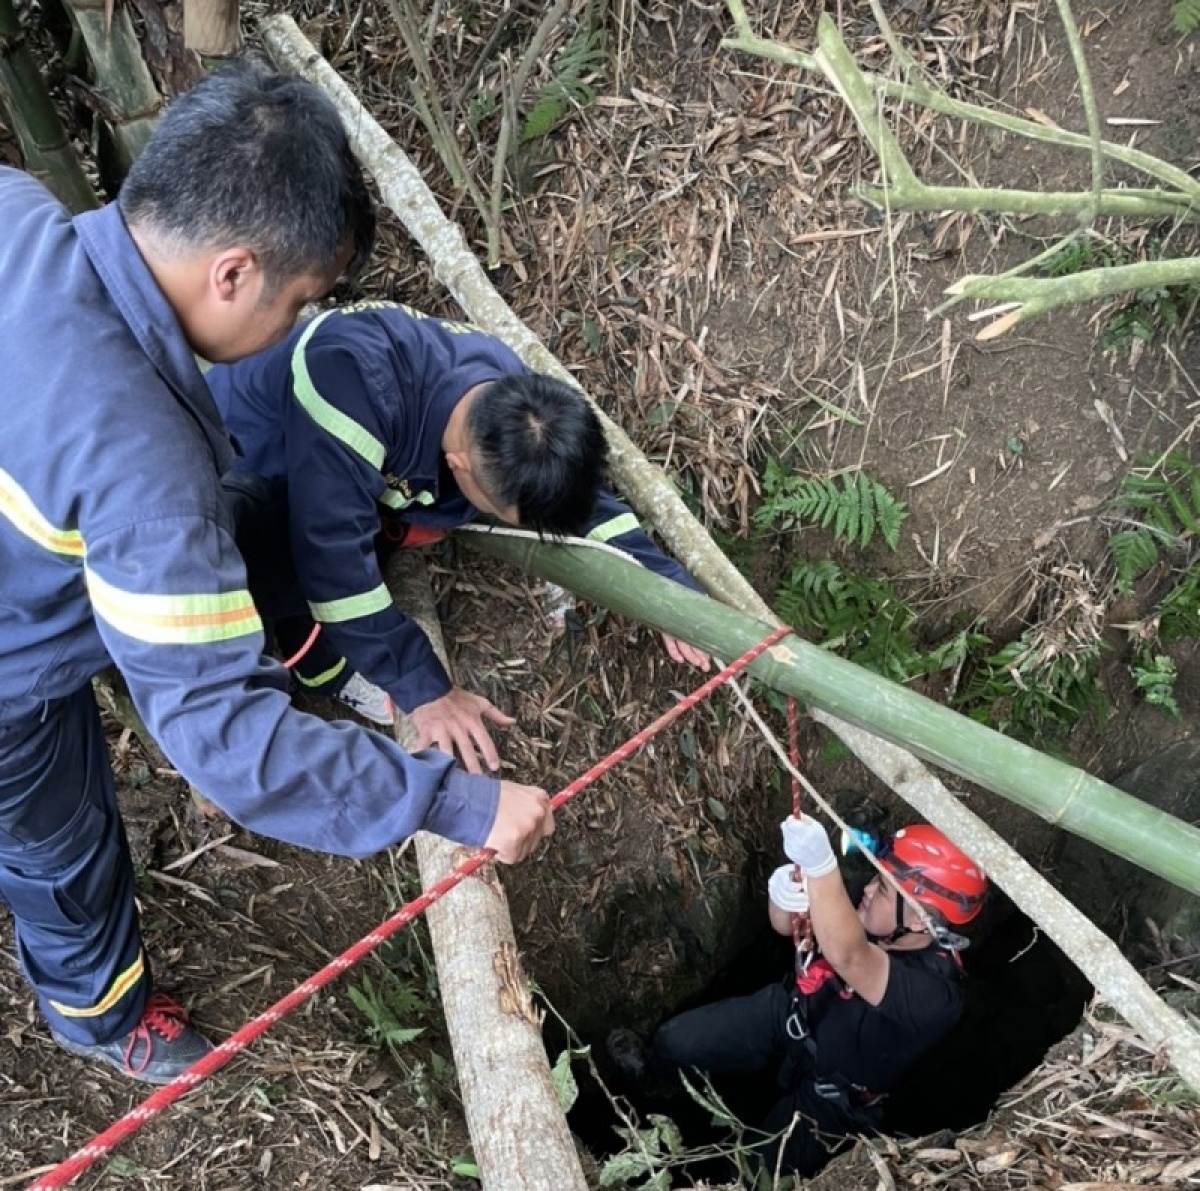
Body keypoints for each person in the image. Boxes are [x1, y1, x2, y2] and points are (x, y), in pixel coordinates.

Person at [0, 61, 554, 1087]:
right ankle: (101, 1013)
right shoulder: (149, 480)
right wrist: (464, 808)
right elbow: (232, 744)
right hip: (10, 679)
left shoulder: (15, 209)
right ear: (233, 272)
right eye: (300, 300)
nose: (298, 326)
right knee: (62, 845)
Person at [205, 303, 711, 773]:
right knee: (285, 566)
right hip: (251, 466)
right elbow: (332, 566)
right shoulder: (351, 385)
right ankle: (317, 663)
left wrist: (661, 583)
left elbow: (583, 503)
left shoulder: (513, 409)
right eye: (501, 513)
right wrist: (424, 689)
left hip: (355, 469)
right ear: (459, 466)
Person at [608, 818, 988, 1182]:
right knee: (676, 1041)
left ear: (921, 920)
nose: (869, 889)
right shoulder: (866, 902)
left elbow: (850, 956)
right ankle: (656, 1083)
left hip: (834, 1101)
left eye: (884, 888)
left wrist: (822, 867)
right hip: (790, 1016)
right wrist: (784, 896)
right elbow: (788, 924)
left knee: (749, 1177)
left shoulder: (936, 998)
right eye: (875, 877)